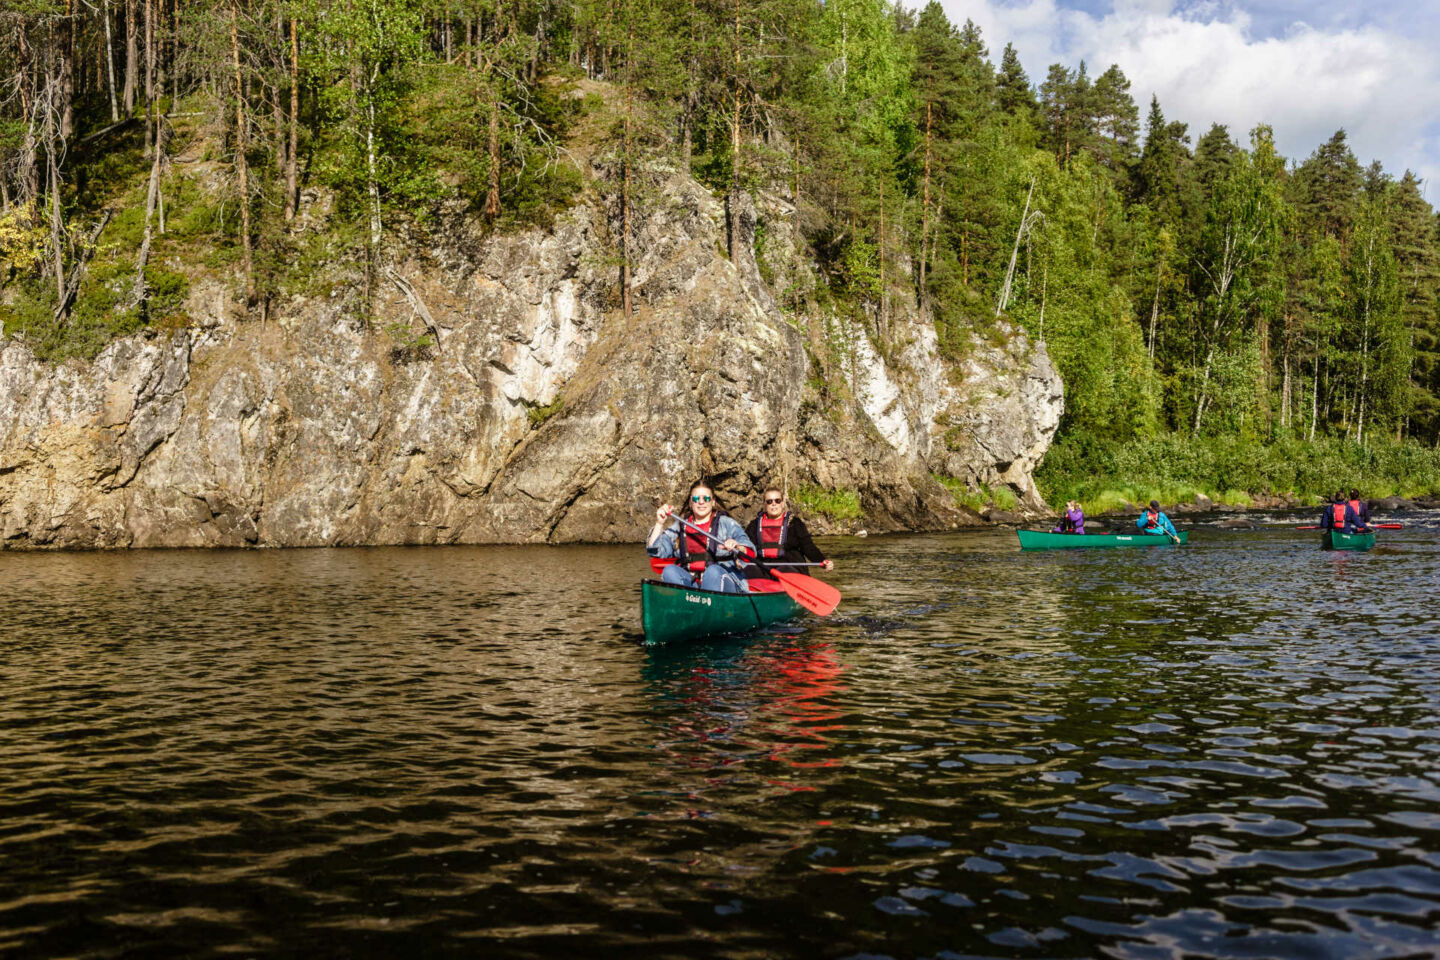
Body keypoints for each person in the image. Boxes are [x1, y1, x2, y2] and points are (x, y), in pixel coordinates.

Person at [647, 481, 756, 593]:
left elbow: (751, 553)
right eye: (696, 499)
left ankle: (712, 606)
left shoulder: (727, 523)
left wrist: (738, 546)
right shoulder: (680, 526)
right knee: (669, 570)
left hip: (723, 582)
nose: (701, 502)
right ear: (690, 502)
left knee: (712, 571)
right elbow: (655, 551)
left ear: (713, 502)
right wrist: (659, 523)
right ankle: (686, 604)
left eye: (706, 499)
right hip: (693, 584)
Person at [744, 487, 834, 576]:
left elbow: (808, 547)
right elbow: (746, 546)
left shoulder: (794, 523)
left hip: (790, 566)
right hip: (764, 567)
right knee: (751, 569)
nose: (773, 504)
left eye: (777, 501)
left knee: (784, 569)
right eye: (769, 501)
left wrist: (822, 561)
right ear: (764, 504)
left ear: (782, 503)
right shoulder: (754, 525)